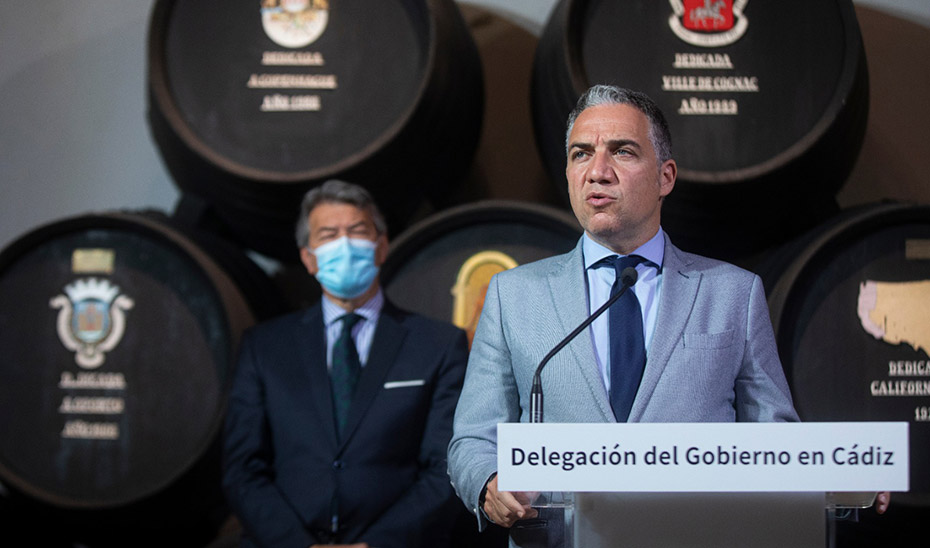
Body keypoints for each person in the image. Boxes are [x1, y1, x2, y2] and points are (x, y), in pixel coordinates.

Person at [447, 85, 889, 540]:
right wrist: (488, 484)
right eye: (581, 154)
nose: (597, 172)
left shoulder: (733, 293)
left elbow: (771, 438)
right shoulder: (513, 296)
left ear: (666, 176)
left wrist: (840, 472)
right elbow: (473, 440)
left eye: (622, 152)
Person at [223, 180, 469, 548]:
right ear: (308, 257)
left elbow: (446, 467)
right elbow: (243, 469)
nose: (345, 244)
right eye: (328, 235)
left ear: (381, 246)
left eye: (357, 231)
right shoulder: (265, 347)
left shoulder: (437, 344)